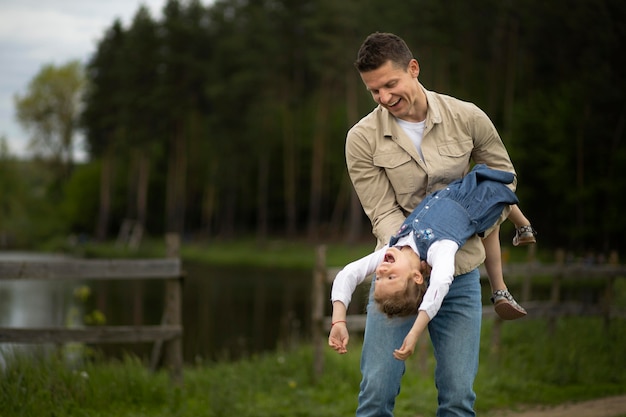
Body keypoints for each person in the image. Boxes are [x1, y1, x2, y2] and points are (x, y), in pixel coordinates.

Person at [338, 31, 528, 416]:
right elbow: (382, 212)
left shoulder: (468, 117)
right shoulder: (360, 139)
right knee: (376, 393)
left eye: (390, 84)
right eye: (374, 91)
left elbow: (504, 178)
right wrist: (412, 256)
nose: (384, 98)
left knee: (458, 398)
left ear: (413, 68)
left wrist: (468, 219)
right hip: (394, 276)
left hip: (458, 274)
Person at [329, 164, 523, 365]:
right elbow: (438, 285)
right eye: (391, 277)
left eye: (378, 278)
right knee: (500, 193)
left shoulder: (392, 249)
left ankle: (523, 226)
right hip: (473, 201)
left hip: (450, 190)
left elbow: (348, 274)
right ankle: (523, 225)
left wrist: (339, 320)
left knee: (493, 185)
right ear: (417, 276)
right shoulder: (439, 249)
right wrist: (414, 333)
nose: (382, 270)